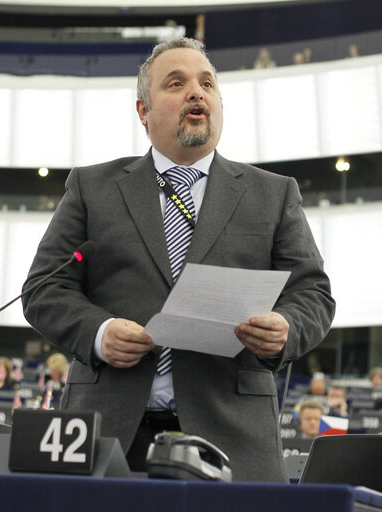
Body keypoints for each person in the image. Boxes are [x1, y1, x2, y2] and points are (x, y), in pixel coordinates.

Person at [22, 37, 334, 483]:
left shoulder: (273, 193)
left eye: (207, 83)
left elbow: (313, 294)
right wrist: (99, 333)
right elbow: (43, 289)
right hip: (105, 432)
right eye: (176, 83)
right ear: (143, 111)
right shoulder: (93, 188)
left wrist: (285, 329)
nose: (196, 92)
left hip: (233, 435)